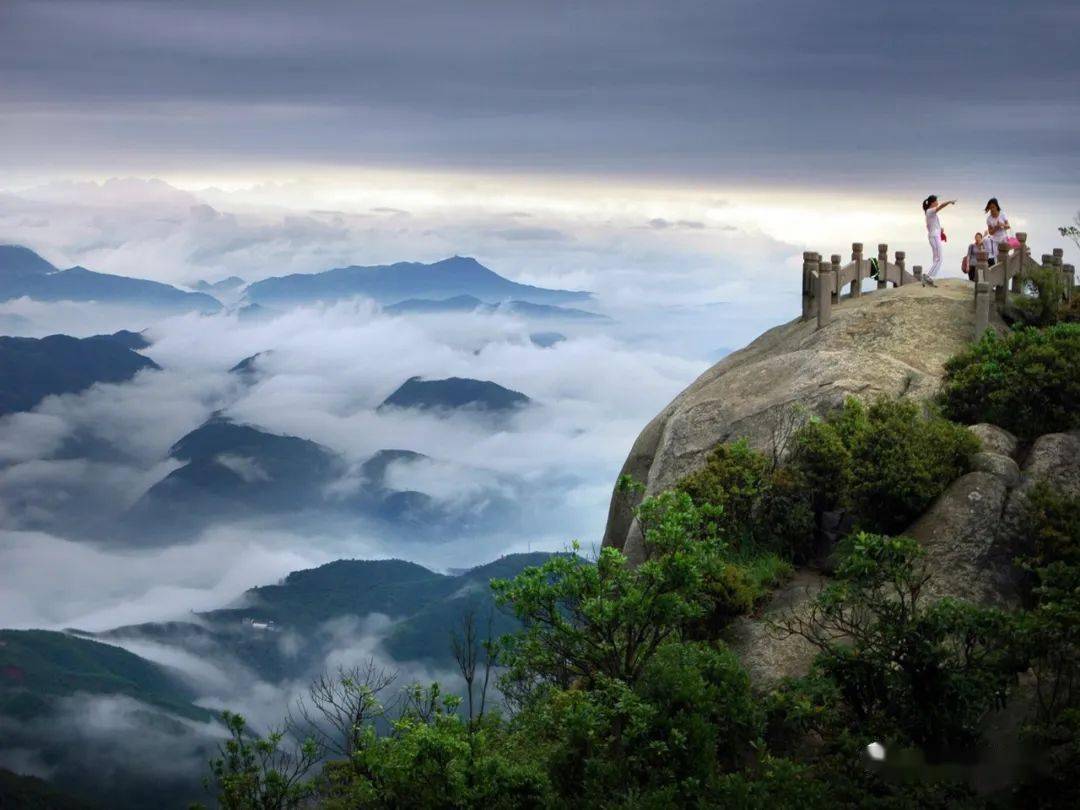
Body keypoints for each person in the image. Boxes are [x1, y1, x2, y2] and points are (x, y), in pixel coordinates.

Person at [922, 194, 956, 286]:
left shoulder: (929, 213)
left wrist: (940, 230)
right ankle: (928, 276)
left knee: (936, 258)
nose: (937, 203)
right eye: (936, 201)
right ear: (933, 203)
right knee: (939, 259)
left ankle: (929, 278)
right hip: (934, 237)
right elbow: (940, 206)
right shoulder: (930, 211)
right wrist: (949, 202)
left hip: (933, 236)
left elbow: (929, 226)